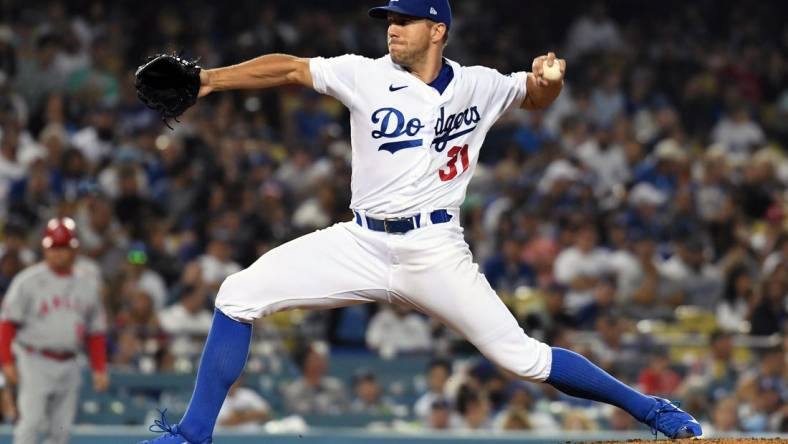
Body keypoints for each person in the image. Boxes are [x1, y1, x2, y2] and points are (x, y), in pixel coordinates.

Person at [139, 1, 701, 442]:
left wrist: (549, 81)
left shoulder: (478, 85)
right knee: (237, 294)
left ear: (438, 30)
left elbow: (532, 95)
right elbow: (289, 69)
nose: (392, 28)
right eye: (390, 19)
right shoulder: (363, 74)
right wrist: (209, 80)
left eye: (405, 20)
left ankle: (652, 409)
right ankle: (192, 435)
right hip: (360, 240)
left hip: (434, 248)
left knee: (524, 359)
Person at [0, 217, 109, 444]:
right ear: (44, 248)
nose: (59, 253)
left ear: (75, 249)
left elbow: (95, 332)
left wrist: (99, 368)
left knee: (61, 431)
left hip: (70, 362)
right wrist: (7, 361)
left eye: (64, 247)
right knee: (30, 424)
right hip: (34, 359)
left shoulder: (87, 285)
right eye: (54, 247)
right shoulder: (27, 281)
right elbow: (7, 323)